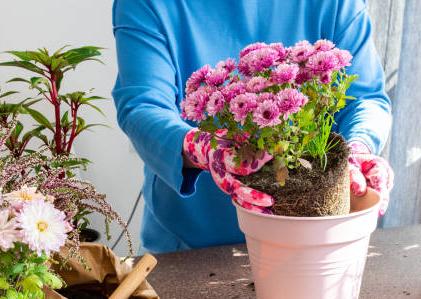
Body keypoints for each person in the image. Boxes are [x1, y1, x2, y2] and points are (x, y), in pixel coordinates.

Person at [112, 0, 394, 254]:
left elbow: (366, 98)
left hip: (311, 244)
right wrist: (202, 148)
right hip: (188, 247)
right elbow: (142, 106)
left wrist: (358, 147)